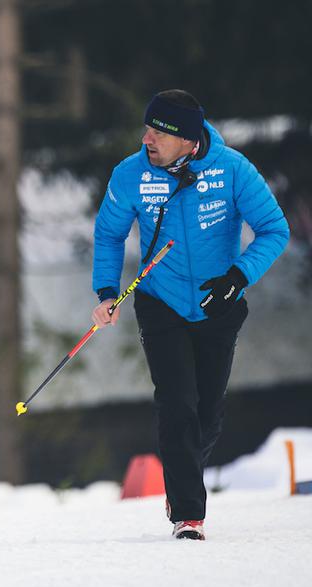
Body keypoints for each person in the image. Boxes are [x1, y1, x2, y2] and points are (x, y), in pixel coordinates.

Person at [91, 90, 289, 541]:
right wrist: (105, 291)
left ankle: (182, 477)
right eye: (147, 128)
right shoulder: (130, 174)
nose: (147, 139)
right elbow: (108, 235)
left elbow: (274, 230)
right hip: (160, 301)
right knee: (177, 402)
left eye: (158, 131)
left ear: (186, 139)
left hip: (218, 303)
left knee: (208, 412)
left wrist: (239, 276)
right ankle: (188, 515)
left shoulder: (233, 170)